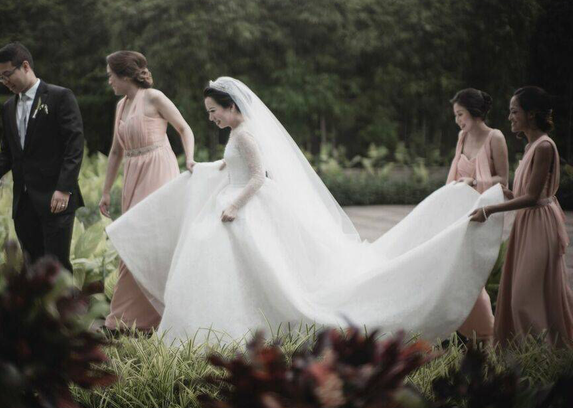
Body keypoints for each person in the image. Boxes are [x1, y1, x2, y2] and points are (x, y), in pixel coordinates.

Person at [106, 77, 505, 345]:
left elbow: (258, 177)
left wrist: (234, 206)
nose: (211, 118)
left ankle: (238, 329)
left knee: (259, 269)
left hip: (246, 204)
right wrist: (206, 169)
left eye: (214, 111)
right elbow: (234, 167)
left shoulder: (245, 134)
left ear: (230, 107)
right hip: (233, 197)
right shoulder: (236, 134)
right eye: (209, 113)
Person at [469, 86, 572, 348]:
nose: (510, 117)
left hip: (539, 224)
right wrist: (506, 192)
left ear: (531, 113)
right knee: (519, 289)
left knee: (524, 295)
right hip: (527, 222)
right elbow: (524, 193)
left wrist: (489, 210)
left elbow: (533, 197)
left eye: (515, 111)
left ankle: (543, 350)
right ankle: (531, 350)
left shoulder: (544, 147)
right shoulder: (530, 146)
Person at [100, 51, 195, 332]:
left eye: (111, 76)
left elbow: (183, 128)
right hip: (133, 174)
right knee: (131, 244)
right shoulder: (121, 106)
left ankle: (161, 317)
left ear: (126, 76)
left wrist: (189, 158)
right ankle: (127, 319)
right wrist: (106, 191)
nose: (109, 82)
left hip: (158, 171)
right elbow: (116, 151)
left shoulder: (154, 98)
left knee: (152, 241)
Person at [0, 42, 84, 271]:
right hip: (23, 203)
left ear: (25, 66)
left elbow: (75, 145)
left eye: (7, 74)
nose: (5, 82)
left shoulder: (60, 97)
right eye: (0, 77)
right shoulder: (8, 107)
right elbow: (9, 151)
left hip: (55, 198)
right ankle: (39, 308)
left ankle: (65, 308)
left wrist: (64, 188)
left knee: (57, 267)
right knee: (33, 268)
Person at [446, 88, 509, 343]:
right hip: (459, 214)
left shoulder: (496, 137)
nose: (458, 120)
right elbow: (451, 177)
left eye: (460, 114)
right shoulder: (462, 137)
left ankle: (485, 332)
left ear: (474, 112)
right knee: (455, 270)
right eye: (456, 115)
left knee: (473, 274)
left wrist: (474, 183)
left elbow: (504, 180)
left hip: (484, 214)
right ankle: (461, 329)